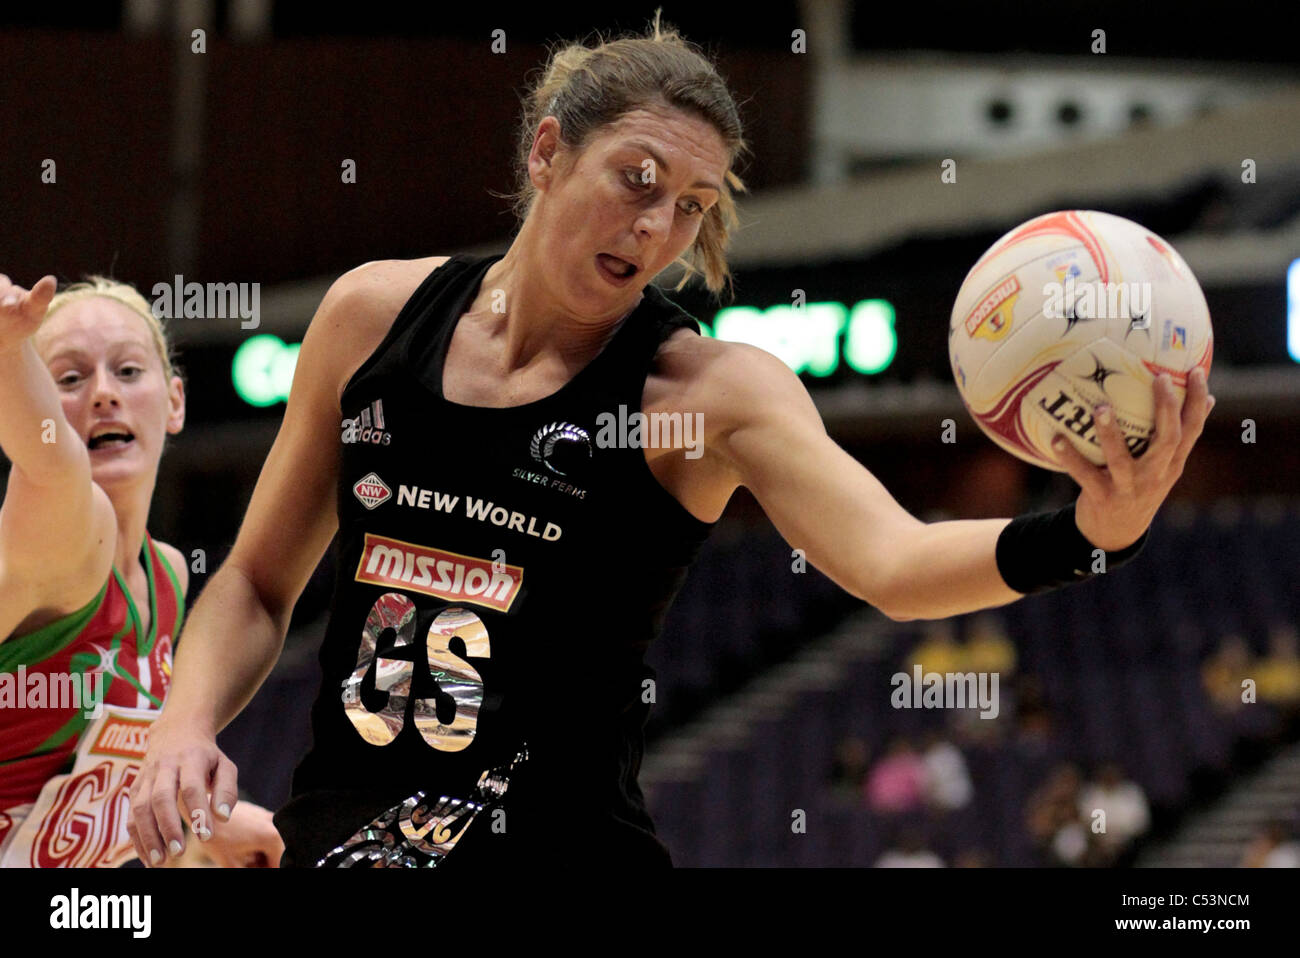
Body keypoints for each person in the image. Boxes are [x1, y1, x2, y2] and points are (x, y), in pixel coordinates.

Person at [128, 15, 1215, 868]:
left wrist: (1086, 533)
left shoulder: (705, 391)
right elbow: (261, 582)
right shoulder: (371, 316)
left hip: (552, 849)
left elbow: (891, 563)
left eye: (690, 206)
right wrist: (183, 724)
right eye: (636, 180)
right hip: (348, 824)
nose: (656, 228)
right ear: (548, 151)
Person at [0, 274, 283, 868]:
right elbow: (52, 464)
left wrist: (200, 829)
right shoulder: (66, 534)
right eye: (69, 380)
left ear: (175, 401)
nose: (103, 393)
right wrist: (8, 348)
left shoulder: (168, 576)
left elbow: (82, 788)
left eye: (128, 371)